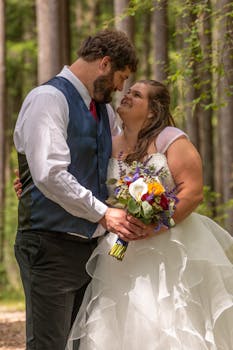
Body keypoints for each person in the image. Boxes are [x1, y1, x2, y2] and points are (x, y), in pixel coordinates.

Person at [65, 80, 233, 350]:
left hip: (171, 246)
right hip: (121, 251)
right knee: (120, 320)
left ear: (153, 111)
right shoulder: (109, 142)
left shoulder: (170, 139)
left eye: (136, 95)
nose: (127, 96)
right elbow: (79, 179)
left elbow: (192, 192)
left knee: (169, 319)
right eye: (128, 92)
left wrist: (156, 227)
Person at [13, 29, 148, 350]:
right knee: (50, 345)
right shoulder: (48, 99)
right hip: (50, 245)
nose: (120, 88)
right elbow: (50, 174)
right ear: (104, 63)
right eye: (121, 77)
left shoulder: (104, 112)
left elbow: (114, 168)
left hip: (92, 252)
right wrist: (104, 214)